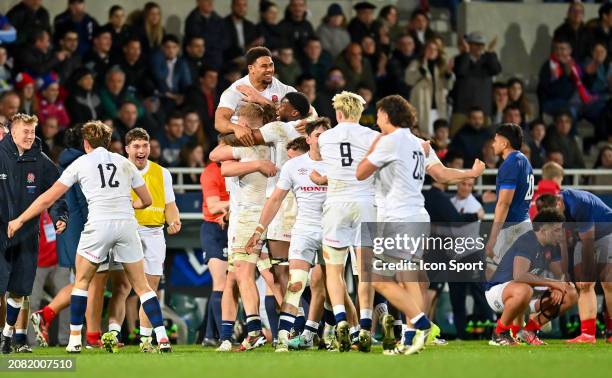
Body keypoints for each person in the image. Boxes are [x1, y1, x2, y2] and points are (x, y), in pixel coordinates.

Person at [6, 120, 172, 354]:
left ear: (86, 143)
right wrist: (125, 203)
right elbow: (146, 201)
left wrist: (20, 219)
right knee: (142, 286)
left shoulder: (81, 163)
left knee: (82, 282)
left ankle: (75, 340)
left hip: (98, 226)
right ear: (108, 141)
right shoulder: (124, 163)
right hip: (127, 225)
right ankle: (162, 338)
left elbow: (47, 199)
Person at [245, 118, 331, 352]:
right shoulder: (294, 166)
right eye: (318, 135)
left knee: (330, 287)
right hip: (303, 229)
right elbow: (275, 199)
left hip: (332, 230)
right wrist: (259, 230)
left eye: (326, 134)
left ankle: (331, 332)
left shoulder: (338, 164)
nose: (322, 139)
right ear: (309, 139)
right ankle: (284, 336)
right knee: (296, 282)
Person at [98, 128, 181, 353]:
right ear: (127, 149)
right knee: (122, 287)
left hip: (154, 232)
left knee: (150, 288)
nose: (141, 150)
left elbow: (170, 204)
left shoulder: (162, 173)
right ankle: (113, 333)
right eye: (136, 146)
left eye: (145, 146)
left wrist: (174, 220)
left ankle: (145, 339)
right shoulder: (118, 170)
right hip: (126, 231)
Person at [209, 103, 280, 351]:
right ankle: (293, 329)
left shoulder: (247, 145)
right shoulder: (274, 140)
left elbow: (217, 159)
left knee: (246, 274)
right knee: (251, 277)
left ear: (244, 123)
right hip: (261, 213)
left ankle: (254, 330)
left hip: (249, 217)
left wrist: (254, 162)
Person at [314, 91, 379, 353]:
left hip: (336, 203)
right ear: (359, 113)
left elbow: (327, 167)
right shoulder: (373, 136)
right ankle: (364, 326)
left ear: (338, 113)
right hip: (365, 203)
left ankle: (340, 319)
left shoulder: (326, 137)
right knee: (366, 270)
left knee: (334, 269)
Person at [0, 114, 68, 354]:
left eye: (32, 131)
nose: (30, 136)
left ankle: (9, 336)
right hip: (1, 232)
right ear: (12, 132)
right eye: (25, 131)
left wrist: (61, 215)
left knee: (19, 290)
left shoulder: (41, 161)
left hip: (27, 234)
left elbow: (56, 192)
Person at [30, 125, 88, 348]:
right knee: (86, 285)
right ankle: (83, 337)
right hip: (52, 250)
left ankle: (70, 337)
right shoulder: (80, 166)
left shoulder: (59, 167)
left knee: (83, 285)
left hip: (60, 248)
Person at [485, 209, 577, 346]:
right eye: (557, 230)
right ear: (543, 230)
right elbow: (519, 275)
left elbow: (561, 274)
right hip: (498, 291)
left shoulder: (552, 246)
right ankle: (499, 333)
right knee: (524, 289)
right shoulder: (528, 241)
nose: (560, 234)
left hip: (524, 293)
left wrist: (559, 286)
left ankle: (529, 331)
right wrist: (553, 284)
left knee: (570, 293)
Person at [538, 189, 612, 344]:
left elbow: (588, 241)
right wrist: (565, 273)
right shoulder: (557, 214)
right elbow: (563, 244)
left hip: (606, 232)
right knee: (583, 285)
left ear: (559, 202)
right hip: (584, 239)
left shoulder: (578, 203)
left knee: (608, 284)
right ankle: (587, 335)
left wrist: (587, 272)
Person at [214, 47, 296, 146]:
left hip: (275, 144)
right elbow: (219, 122)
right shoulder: (236, 90)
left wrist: (261, 100)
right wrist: (236, 128)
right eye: (264, 66)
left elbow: (306, 113)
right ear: (251, 68)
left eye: (271, 65)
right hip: (243, 144)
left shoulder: (284, 90)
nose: (269, 70)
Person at [484, 123, 534, 280]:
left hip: (511, 228)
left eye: (495, 140)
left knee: (492, 275)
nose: (493, 144)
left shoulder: (510, 163)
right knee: (518, 279)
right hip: (525, 224)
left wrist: (493, 237)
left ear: (504, 143)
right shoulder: (524, 160)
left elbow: (504, 203)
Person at [199, 147, 230, 347]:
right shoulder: (211, 172)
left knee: (226, 284)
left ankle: (210, 335)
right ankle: (225, 336)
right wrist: (236, 205)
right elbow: (213, 206)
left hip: (233, 226)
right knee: (221, 283)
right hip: (214, 229)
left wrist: (229, 210)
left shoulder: (237, 168)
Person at [450, 32, 501, 135]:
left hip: (484, 109)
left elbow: (496, 70)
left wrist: (490, 52)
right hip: (462, 108)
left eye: (481, 45)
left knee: (486, 140)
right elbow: (461, 71)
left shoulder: (488, 59)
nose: (479, 47)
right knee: (457, 136)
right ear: (468, 45)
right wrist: (466, 53)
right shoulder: (460, 59)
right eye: (475, 44)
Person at [405, 38, 454, 137]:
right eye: (429, 49)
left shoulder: (441, 66)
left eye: (435, 49)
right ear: (424, 50)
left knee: (439, 134)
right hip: (422, 106)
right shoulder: (416, 63)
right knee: (424, 135)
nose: (432, 52)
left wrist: (448, 74)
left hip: (439, 107)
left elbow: (449, 86)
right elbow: (409, 79)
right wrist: (422, 69)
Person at [184, 0, 228, 71]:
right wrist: (215, 44)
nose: (210, 3)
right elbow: (199, 42)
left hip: (217, 59)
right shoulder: (192, 20)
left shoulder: (219, 19)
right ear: (198, 2)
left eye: (212, 1)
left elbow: (226, 40)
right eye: (207, 0)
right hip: (201, 61)